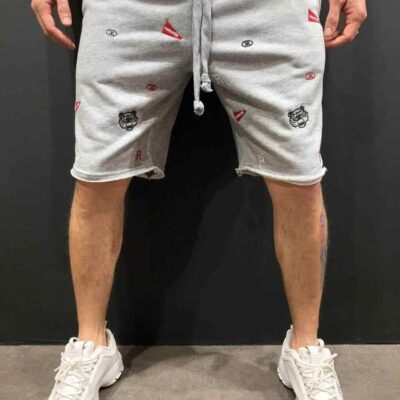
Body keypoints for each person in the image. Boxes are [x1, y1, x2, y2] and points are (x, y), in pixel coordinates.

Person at [31, 0, 367, 399]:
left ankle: (305, 348)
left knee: (299, 179)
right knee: (97, 176)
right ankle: (91, 345)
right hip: (128, 9)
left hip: (271, 10)